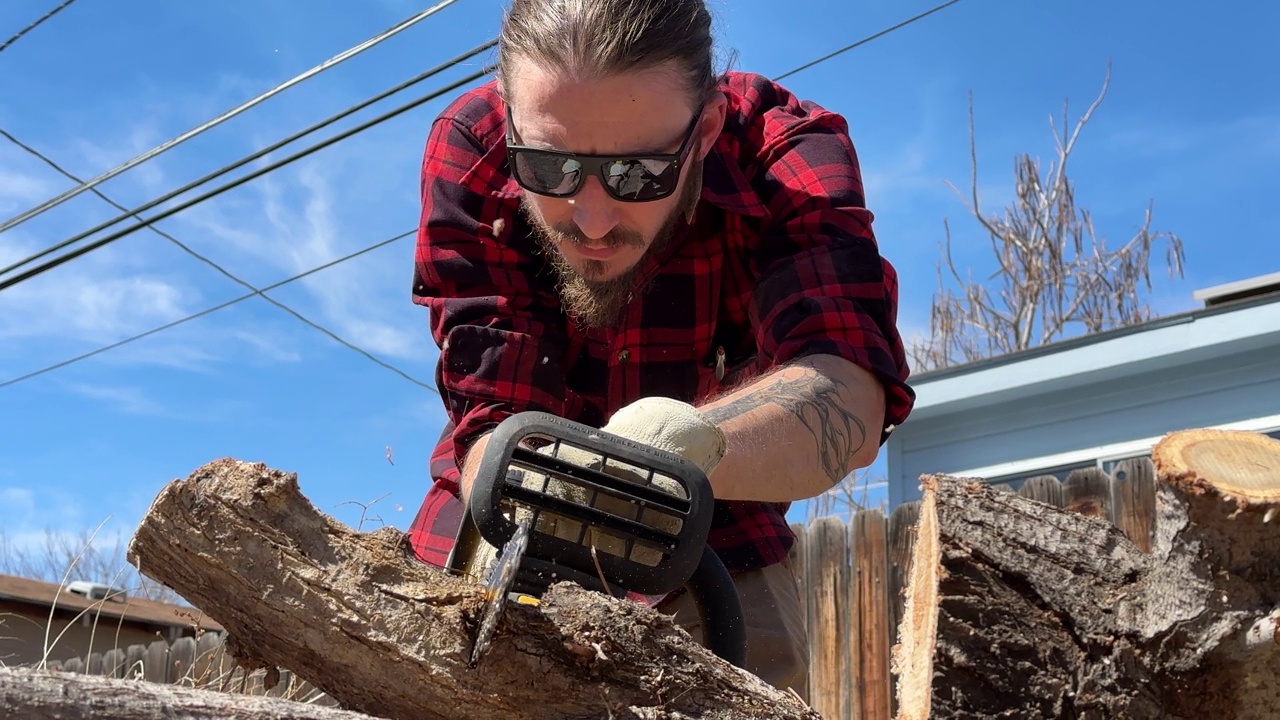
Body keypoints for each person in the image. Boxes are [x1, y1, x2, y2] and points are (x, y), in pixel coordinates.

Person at [406, 0, 915, 698]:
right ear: (511, 117)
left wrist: (673, 452)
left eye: (636, 172)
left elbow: (847, 388)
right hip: (503, 515)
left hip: (719, 540)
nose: (590, 220)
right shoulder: (470, 143)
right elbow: (492, 411)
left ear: (703, 129)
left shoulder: (785, 153)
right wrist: (535, 488)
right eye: (550, 169)